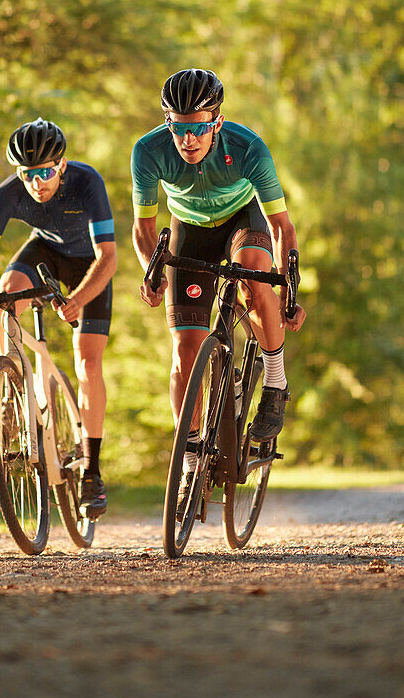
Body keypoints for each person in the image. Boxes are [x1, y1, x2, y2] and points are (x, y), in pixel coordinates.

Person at [131, 69, 306, 512]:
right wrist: (152, 273)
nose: (188, 139)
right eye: (178, 127)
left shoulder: (248, 149)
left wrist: (288, 289)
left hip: (242, 221)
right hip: (189, 229)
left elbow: (281, 225)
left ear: (217, 121)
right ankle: (190, 459)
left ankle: (274, 382)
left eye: (198, 127)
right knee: (185, 348)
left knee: (253, 273)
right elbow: (143, 228)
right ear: (167, 122)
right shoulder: (148, 152)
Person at [0, 118, 116, 520]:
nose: (36, 183)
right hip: (45, 251)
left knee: (88, 360)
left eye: (45, 172)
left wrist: (79, 299)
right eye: (28, 174)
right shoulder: (6, 196)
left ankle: (92, 472)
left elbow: (108, 258)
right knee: (5, 292)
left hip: (89, 266)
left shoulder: (87, 182)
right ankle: (13, 389)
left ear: (61, 165)